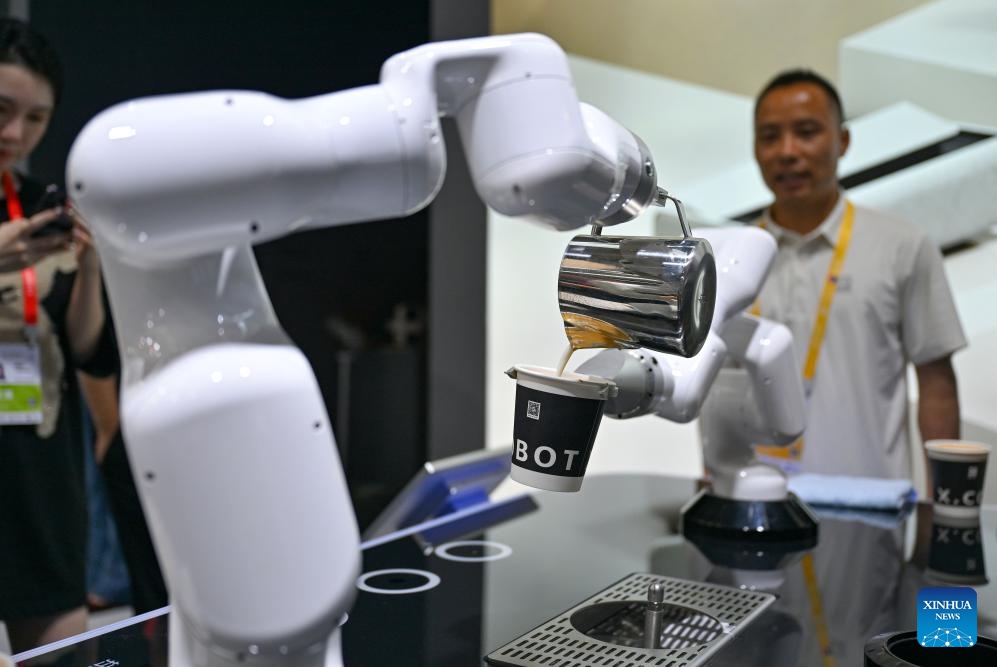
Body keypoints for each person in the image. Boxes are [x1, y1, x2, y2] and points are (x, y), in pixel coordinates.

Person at [748, 69, 966, 481]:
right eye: (770, 136)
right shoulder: (730, 258)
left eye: (807, 132)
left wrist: (942, 511)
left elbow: (936, 381)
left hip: (869, 504)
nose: (787, 151)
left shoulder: (901, 245)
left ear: (843, 141)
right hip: (749, 503)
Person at [0, 17, 116, 653]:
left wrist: (93, 265)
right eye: (1, 109)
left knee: (68, 651)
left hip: (37, 467)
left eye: (36, 118)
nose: (15, 134)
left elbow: (87, 350)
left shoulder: (39, 203)